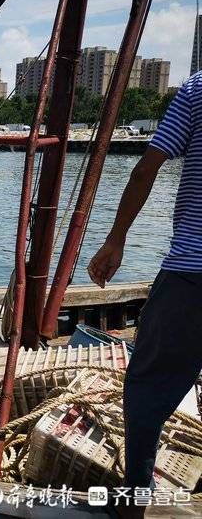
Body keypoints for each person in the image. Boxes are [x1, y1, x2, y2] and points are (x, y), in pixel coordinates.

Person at [88, 72, 202, 515]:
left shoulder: (197, 89)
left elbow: (147, 166)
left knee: (146, 389)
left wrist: (116, 239)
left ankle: (134, 500)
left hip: (192, 272)